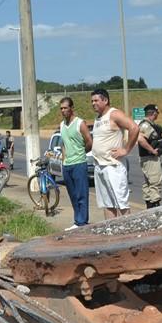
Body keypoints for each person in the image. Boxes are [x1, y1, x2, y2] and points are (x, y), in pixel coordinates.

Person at [90, 88, 140, 219]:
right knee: (107, 204)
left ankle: (128, 232)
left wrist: (126, 149)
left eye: (96, 100)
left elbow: (134, 128)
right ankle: (111, 233)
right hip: (100, 166)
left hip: (113, 167)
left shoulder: (114, 114)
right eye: (92, 101)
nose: (93, 103)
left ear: (105, 100)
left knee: (121, 204)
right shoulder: (98, 118)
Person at [57, 96, 93, 229]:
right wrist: (64, 158)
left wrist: (81, 153)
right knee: (72, 194)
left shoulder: (79, 123)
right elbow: (63, 144)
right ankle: (77, 220)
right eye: (61, 108)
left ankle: (82, 221)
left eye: (65, 108)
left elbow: (89, 141)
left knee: (81, 194)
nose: (63, 111)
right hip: (67, 165)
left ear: (72, 108)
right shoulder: (62, 125)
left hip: (79, 163)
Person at [137, 103, 162, 209]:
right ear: (154, 113)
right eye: (157, 113)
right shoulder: (146, 125)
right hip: (150, 158)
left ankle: (150, 206)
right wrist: (152, 150)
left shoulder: (148, 124)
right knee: (154, 182)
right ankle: (154, 208)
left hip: (148, 158)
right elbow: (140, 139)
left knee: (148, 183)